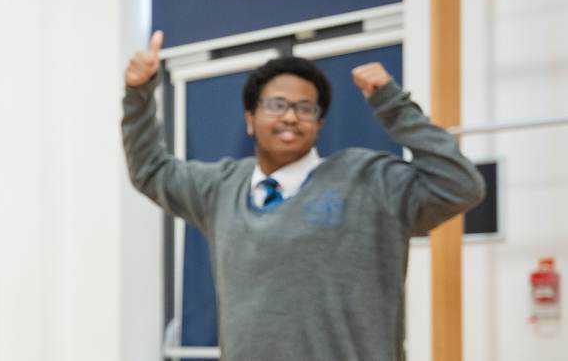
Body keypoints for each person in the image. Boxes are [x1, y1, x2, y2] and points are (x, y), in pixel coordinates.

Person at [121, 32, 485, 359]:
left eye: (305, 108)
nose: (292, 117)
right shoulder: (219, 188)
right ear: (250, 119)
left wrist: (394, 105)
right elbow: (151, 170)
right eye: (277, 105)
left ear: (320, 124)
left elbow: (459, 184)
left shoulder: (369, 181)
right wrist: (139, 94)